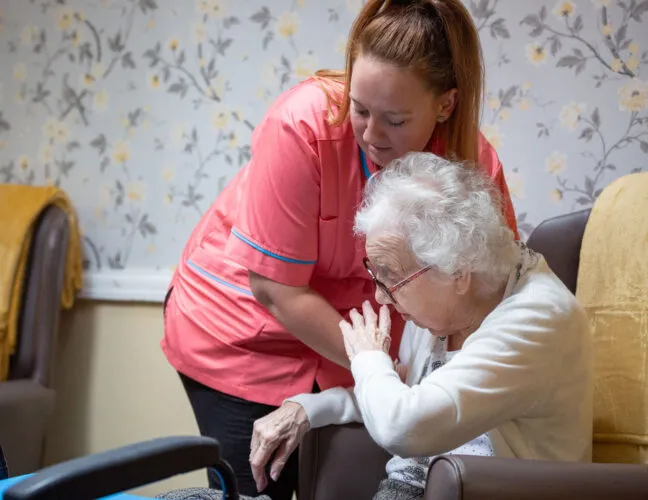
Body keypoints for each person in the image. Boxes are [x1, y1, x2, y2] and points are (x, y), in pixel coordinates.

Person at [161, 1, 518, 498]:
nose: (370, 135)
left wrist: (402, 380)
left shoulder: (471, 167)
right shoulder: (301, 125)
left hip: (363, 352)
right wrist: (382, 372)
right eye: (360, 108)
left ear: (446, 105)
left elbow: (489, 296)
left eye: (394, 119)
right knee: (260, 487)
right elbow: (274, 288)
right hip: (245, 330)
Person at [248, 153, 593, 500]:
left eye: (391, 276)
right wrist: (308, 408)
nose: (382, 298)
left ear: (457, 270)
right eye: (375, 273)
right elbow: (401, 394)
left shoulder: (536, 321)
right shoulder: (448, 305)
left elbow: (405, 425)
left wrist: (368, 356)